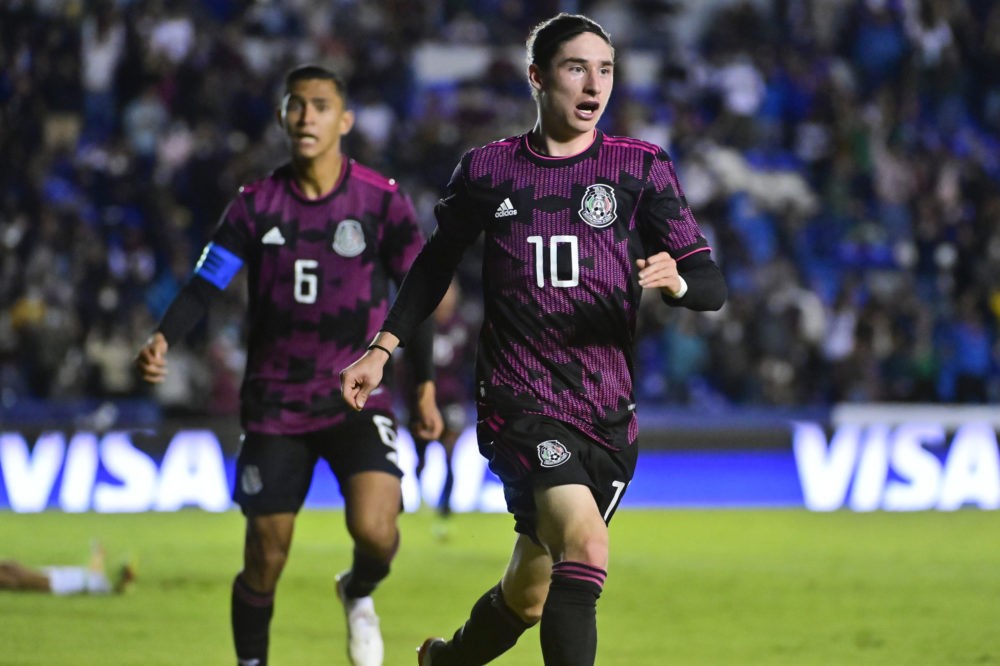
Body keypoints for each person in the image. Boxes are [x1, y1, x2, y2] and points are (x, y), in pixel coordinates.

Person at [340, 13, 727, 666]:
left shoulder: (640, 168)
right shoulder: (490, 171)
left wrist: (681, 286)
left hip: (608, 415)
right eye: (577, 67)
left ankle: (445, 662)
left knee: (530, 595)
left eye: (605, 69)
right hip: (520, 402)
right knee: (587, 547)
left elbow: (710, 283)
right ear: (538, 77)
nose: (594, 83)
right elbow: (435, 264)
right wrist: (383, 349)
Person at [135, 64, 442, 666]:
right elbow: (205, 284)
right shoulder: (255, 205)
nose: (307, 117)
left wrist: (425, 385)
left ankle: (357, 589)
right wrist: (164, 337)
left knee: (377, 532)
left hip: (357, 392)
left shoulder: (380, 201)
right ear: (281, 117)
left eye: (321, 105)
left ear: (344, 120)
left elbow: (418, 295)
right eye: (296, 106)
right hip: (275, 401)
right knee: (265, 556)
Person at [408, 279, 475, 521]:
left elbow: (472, 363)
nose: (447, 299)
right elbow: (406, 366)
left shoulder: (464, 326)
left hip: (452, 398)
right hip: (422, 399)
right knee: (421, 455)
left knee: (450, 452)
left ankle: (445, 502)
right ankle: (419, 496)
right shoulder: (420, 325)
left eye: (451, 293)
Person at [0, 542, 135, 596]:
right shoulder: (100, 579)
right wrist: (98, 551)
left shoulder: (104, 586)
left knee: (14, 576)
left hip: (54, 583)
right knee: (11, 566)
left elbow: (119, 588)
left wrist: (99, 553)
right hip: (55, 575)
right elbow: (97, 562)